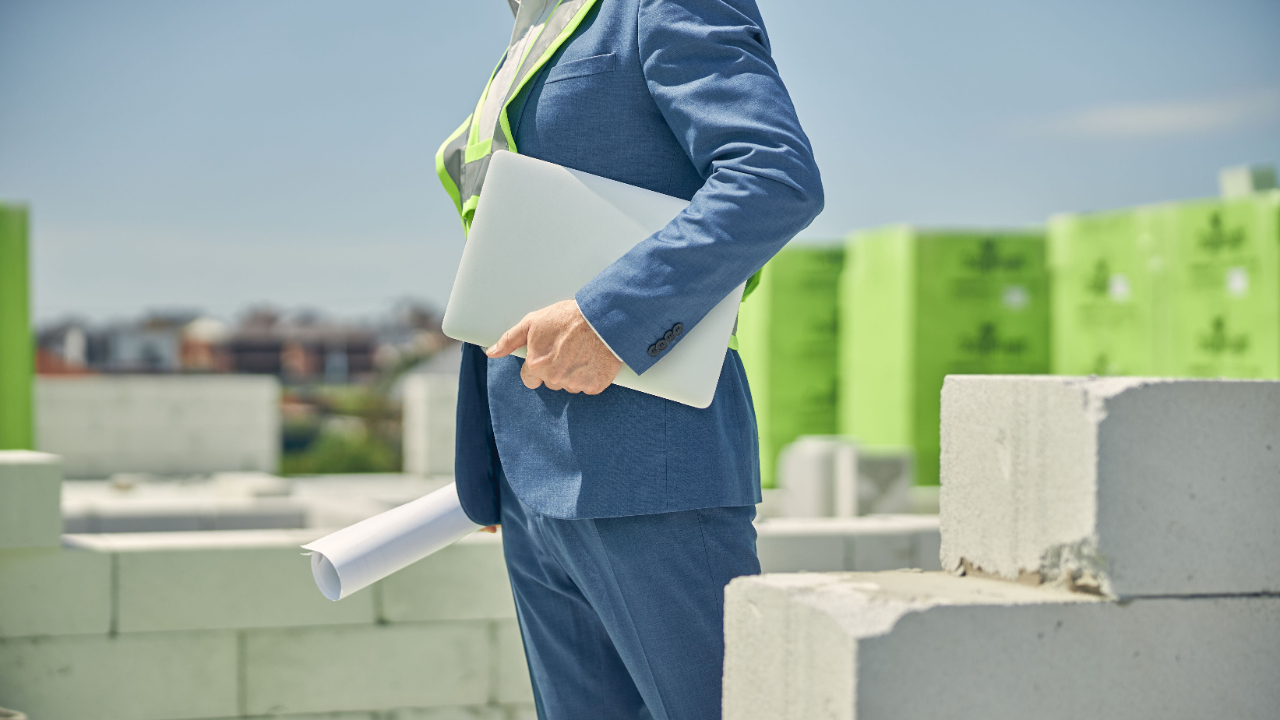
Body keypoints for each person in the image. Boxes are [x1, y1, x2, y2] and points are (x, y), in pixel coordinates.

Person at [435, 1, 822, 717]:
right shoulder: (526, 37)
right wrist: (487, 459)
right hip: (530, 480)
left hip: (652, 467)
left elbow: (772, 177)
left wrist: (608, 319)